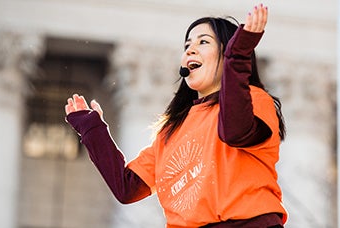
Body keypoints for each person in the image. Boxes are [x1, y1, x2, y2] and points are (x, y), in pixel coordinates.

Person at [65, 4, 287, 227]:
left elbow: (235, 131)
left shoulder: (255, 100)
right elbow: (127, 188)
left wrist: (238, 55)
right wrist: (92, 130)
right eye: (187, 45)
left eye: (203, 42)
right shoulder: (171, 132)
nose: (190, 50)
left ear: (227, 51)